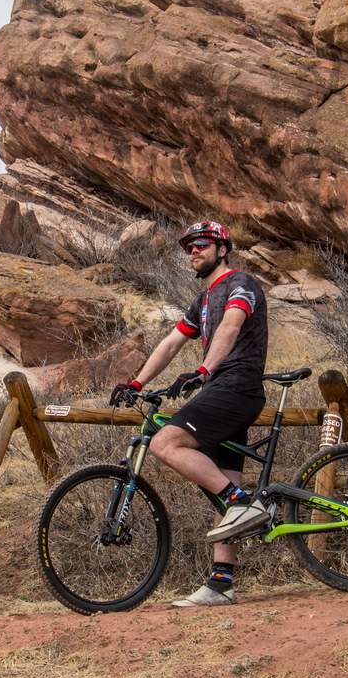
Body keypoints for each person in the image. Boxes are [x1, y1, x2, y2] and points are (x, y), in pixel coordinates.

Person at [110, 220, 269, 608]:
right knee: (222, 489)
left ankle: (243, 503)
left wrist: (203, 370)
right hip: (221, 389)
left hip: (237, 386)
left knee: (165, 443)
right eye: (189, 247)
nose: (193, 251)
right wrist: (136, 382)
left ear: (222, 250)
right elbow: (171, 343)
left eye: (202, 245)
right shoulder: (202, 300)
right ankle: (221, 584)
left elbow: (231, 326)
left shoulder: (241, 283)